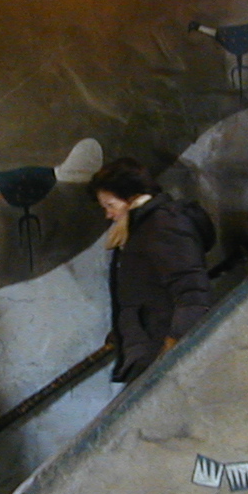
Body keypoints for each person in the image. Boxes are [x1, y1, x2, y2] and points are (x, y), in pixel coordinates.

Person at [88, 158, 213, 384]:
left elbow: (192, 291)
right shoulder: (138, 229)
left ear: (131, 197)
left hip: (162, 354)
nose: (108, 215)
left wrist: (173, 347)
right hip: (148, 350)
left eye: (110, 205)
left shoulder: (162, 224)